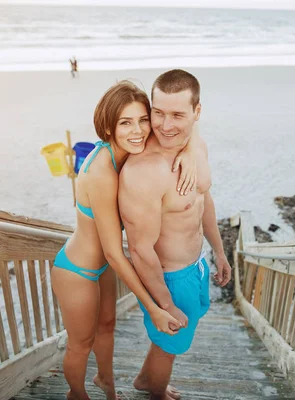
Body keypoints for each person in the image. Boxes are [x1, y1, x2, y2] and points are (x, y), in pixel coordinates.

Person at [51, 80, 199, 400]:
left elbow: (183, 135)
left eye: (143, 119)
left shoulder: (129, 150)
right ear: (108, 126)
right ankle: (76, 394)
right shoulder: (103, 170)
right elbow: (116, 252)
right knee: (81, 344)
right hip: (77, 271)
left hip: (103, 267)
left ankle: (108, 386)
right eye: (125, 122)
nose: (139, 130)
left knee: (107, 329)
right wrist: (155, 307)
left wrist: (188, 151)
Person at [119, 69, 232, 400]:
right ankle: (155, 392)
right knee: (170, 344)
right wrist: (165, 303)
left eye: (178, 114)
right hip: (169, 278)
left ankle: (144, 379)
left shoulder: (197, 147)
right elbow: (140, 250)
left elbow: (203, 201)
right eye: (158, 112)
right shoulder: (144, 173)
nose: (166, 125)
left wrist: (219, 252)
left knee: (167, 343)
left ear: (197, 113)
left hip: (197, 264)